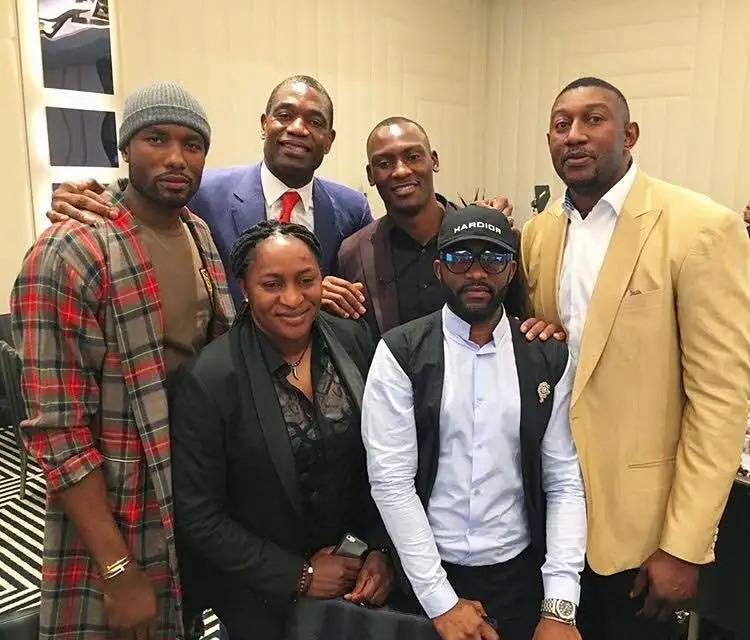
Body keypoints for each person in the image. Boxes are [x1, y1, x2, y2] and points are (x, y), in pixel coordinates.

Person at [521, 76, 750, 640]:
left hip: (643, 533)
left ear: (630, 135)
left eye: (593, 120)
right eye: (561, 125)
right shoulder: (538, 233)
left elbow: (720, 400)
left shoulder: (700, 227)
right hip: (552, 519)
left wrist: (684, 544)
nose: (574, 135)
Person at [11, 81, 235, 640]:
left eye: (192, 144)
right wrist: (115, 569)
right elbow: (58, 432)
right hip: (118, 501)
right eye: (156, 138)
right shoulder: (70, 251)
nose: (176, 158)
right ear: (125, 148)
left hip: (187, 485)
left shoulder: (198, 234)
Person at [362, 204, 586, 640]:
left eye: (494, 258)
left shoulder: (547, 357)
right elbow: (391, 483)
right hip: (424, 574)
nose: (477, 272)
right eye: (459, 258)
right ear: (438, 269)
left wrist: (560, 605)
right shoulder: (401, 353)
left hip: (519, 576)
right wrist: (441, 602)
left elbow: (563, 480)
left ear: (512, 270)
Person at [169, 220, 394, 640]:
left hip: (358, 573)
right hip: (263, 595)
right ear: (244, 287)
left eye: (306, 280)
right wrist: (300, 575)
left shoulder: (354, 341)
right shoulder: (209, 379)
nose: (292, 299)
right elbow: (199, 516)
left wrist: (381, 550)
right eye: (272, 284)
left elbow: (386, 460)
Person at [46, 74, 373, 305]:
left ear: (329, 141)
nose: (298, 128)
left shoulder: (351, 207)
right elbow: (147, 199)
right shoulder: (203, 191)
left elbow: (362, 285)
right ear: (264, 125)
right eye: (285, 115)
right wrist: (91, 197)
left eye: (315, 122)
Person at [330, 116, 518, 336]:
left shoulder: (488, 238)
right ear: (371, 175)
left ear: (434, 160)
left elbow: (520, 318)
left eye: (413, 157)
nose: (401, 171)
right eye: (384, 163)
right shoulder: (353, 254)